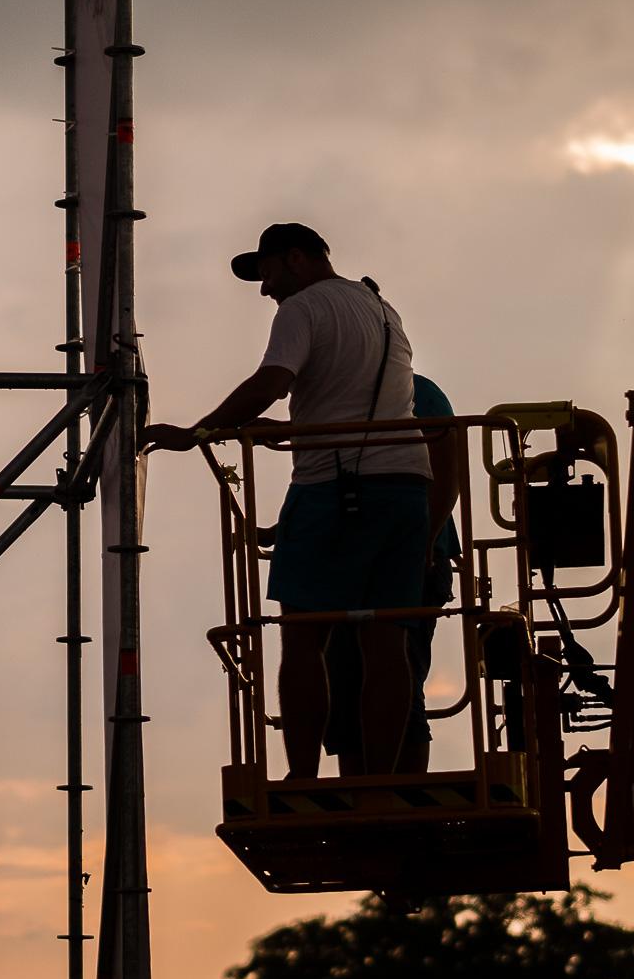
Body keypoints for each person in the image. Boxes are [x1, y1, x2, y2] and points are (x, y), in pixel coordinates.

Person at [141, 223, 430, 778]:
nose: (264, 288)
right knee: (387, 637)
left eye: (268, 272)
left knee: (302, 635)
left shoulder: (302, 308)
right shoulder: (381, 309)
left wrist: (198, 433)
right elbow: (355, 404)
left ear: (295, 259)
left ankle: (302, 776)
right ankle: (383, 781)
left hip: (334, 487)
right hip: (404, 484)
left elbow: (272, 380)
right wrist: (300, 429)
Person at [323, 372, 461, 775]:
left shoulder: (416, 392)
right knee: (344, 684)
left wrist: (424, 544)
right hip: (349, 560)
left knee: (394, 671)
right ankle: (359, 793)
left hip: (411, 555)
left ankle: (401, 791)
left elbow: (445, 475)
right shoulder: (338, 395)